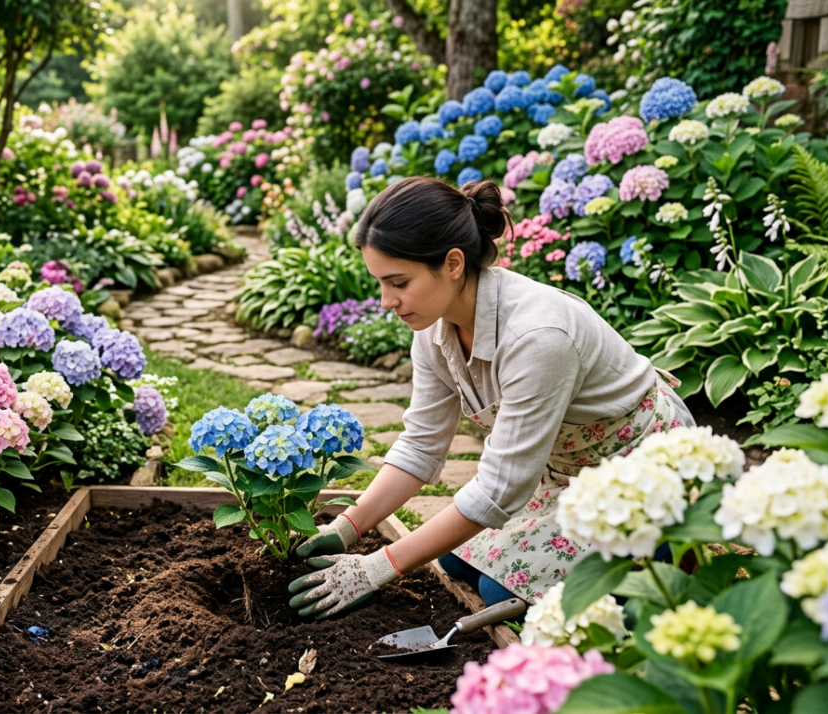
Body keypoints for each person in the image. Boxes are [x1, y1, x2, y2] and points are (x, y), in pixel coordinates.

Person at [287, 176, 693, 619]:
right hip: (566, 472)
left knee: (498, 591)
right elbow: (421, 445)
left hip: (642, 468)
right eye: (381, 283)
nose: (387, 301)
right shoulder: (435, 332)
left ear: (454, 263)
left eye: (398, 282)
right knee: (452, 558)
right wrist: (350, 525)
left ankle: (662, 572)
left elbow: (500, 488)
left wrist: (379, 567)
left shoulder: (538, 338)